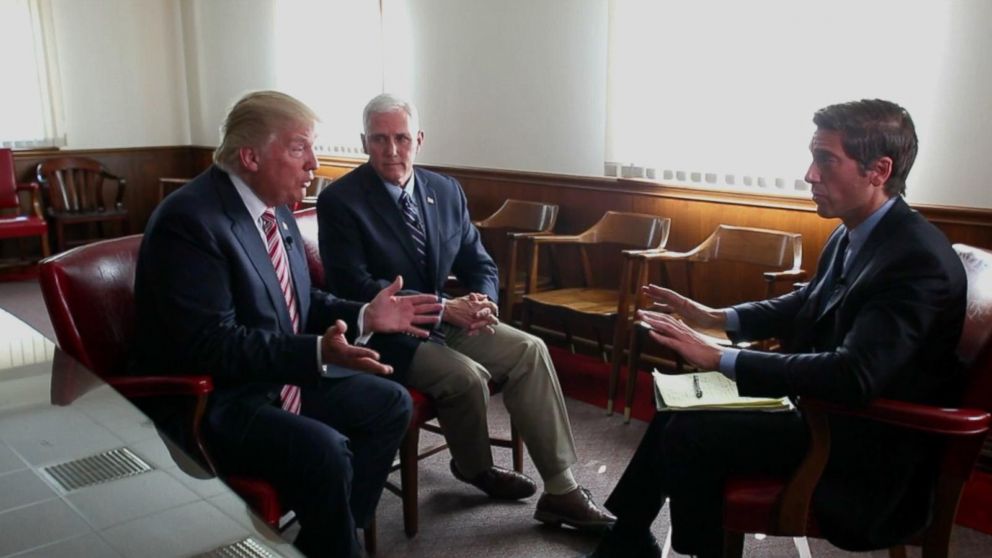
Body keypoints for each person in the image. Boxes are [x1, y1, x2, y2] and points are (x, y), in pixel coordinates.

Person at [586, 99, 968, 557]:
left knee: (691, 433)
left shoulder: (915, 258)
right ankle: (628, 535)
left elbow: (854, 376)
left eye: (826, 159)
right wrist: (716, 317)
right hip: (830, 413)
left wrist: (720, 357)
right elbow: (808, 301)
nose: (810, 174)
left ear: (878, 170)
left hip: (863, 441)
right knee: (678, 403)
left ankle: (672, 548)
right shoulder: (858, 230)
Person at [131, 90, 443, 558]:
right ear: (251, 156)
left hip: (278, 379)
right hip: (219, 399)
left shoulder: (274, 206)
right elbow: (211, 343)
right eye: (300, 148)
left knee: (390, 404)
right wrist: (316, 352)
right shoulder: (190, 221)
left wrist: (364, 315)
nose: (315, 164)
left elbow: (298, 298)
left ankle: (333, 537)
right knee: (326, 450)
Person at [316, 93, 615, 531]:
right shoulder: (341, 200)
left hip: (451, 319)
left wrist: (483, 299)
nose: (392, 150)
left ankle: (562, 489)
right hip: (388, 335)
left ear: (419, 139)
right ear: (364, 142)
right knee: (466, 378)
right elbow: (354, 287)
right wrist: (442, 309)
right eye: (380, 139)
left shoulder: (444, 190)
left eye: (401, 138)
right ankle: (475, 468)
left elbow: (478, 261)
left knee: (530, 350)